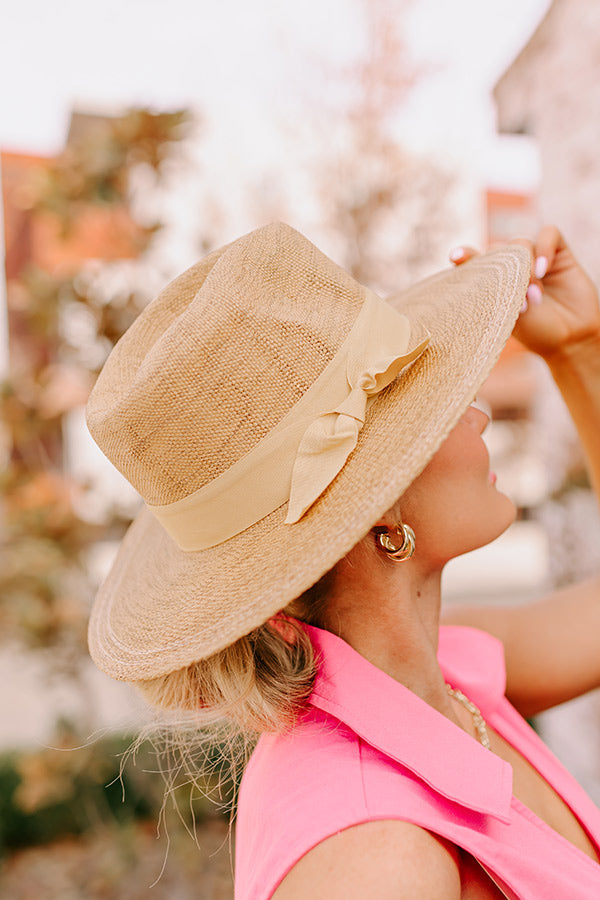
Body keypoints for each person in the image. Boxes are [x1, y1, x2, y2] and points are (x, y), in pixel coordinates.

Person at [85, 221, 600, 899]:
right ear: (380, 510)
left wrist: (581, 353)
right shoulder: (377, 857)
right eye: (437, 404)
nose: (475, 414)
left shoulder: (444, 675)